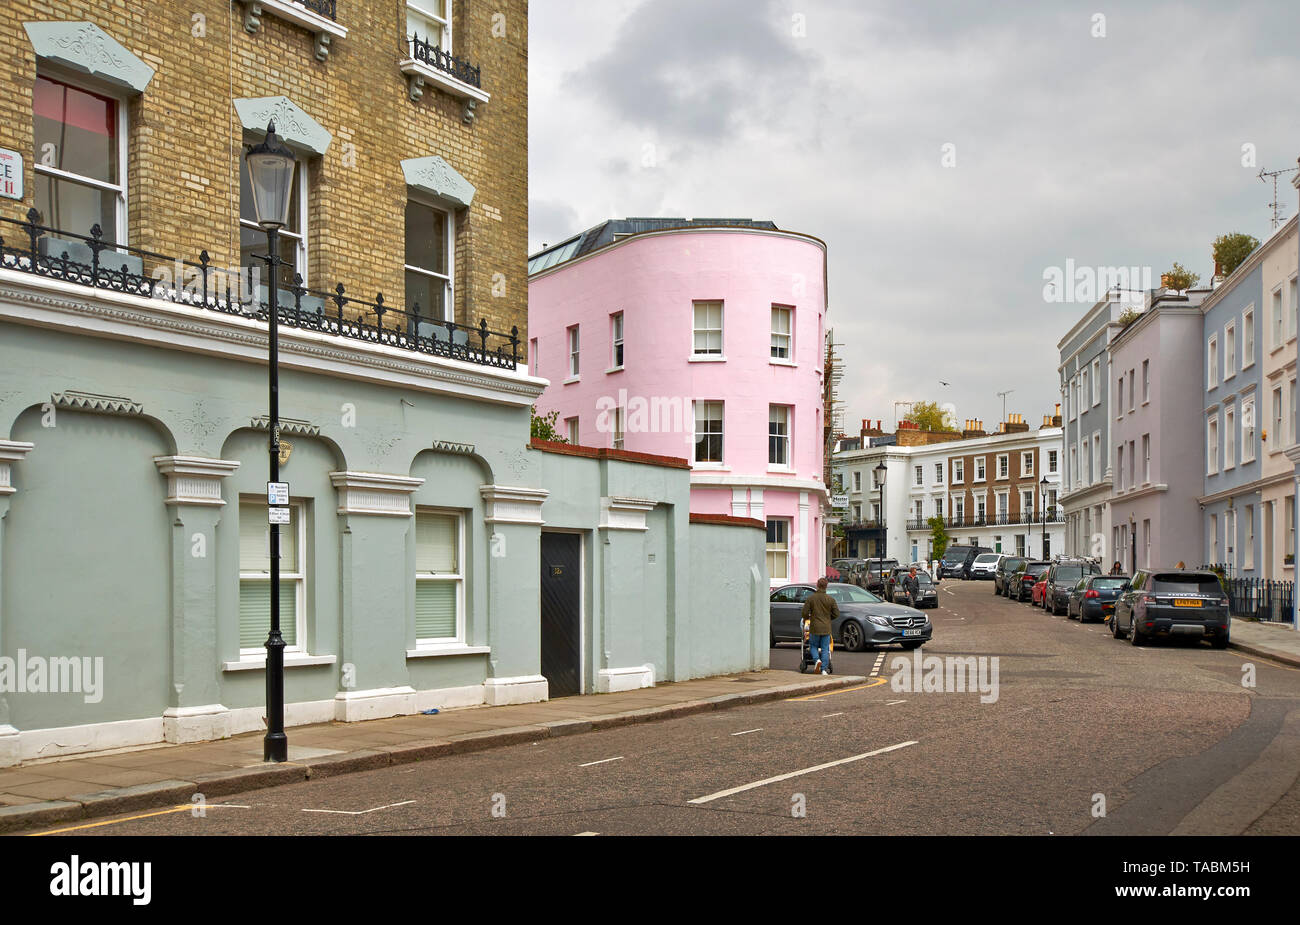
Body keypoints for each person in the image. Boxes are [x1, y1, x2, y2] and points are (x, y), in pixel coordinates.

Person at [800, 576, 839, 675]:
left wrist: (807, 617)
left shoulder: (811, 599)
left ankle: (817, 660)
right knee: (825, 648)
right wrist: (828, 619)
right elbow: (836, 614)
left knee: (813, 646)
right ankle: (824, 670)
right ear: (826, 586)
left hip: (815, 627)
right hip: (826, 628)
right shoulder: (831, 599)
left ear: (817, 585)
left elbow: (804, 613)